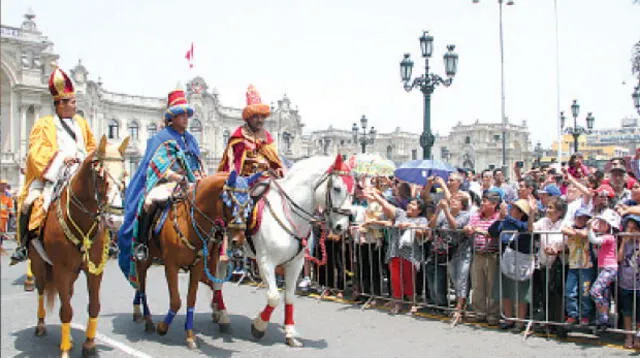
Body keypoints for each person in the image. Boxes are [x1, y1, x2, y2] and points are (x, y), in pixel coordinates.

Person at [10, 66, 97, 265]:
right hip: (52, 175)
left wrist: (85, 160)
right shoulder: (44, 124)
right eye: (73, 102)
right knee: (29, 203)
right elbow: (35, 153)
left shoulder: (82, 124)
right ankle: (24, 245)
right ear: (60, 104)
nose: (76, 106)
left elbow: (91, 146)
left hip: (79, 172)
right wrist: (61, 160)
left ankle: (103, 239)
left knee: (101, 199)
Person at [118, 89, 203, 283]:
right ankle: (142, 245)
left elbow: (196, 163)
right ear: (171, 117)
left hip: (189, 183)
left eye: (186, 115)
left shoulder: (191, 139)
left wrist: (197, 174)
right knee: (149, 203)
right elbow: (153, 167)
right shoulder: (160, 138)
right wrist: (174, 176)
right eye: (181, 114)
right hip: (166, 182)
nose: (185, 118)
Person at [218, 85, 284, 178]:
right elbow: (230, 164)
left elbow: (275, 163)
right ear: (248, 118)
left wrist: (278, 169)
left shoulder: (267, 137)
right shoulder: (239, 136)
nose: (260, 120)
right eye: (256, 117)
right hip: (245, 182)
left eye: (262, 117)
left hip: (268, 179)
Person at [465, 188, 501, 325]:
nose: (482, 204)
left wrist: (481, 231)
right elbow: (470, 227)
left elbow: (494, 233)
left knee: (492, 285)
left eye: (485, 202)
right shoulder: (476, 215)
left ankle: (493, 314)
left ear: (493, 204)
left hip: (492, 255)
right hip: (478, 253)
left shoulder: (498, 217)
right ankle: (479, 312)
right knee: (478, 285)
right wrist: (469, 229)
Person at [562, 208, 596, 326]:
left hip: (587, 266)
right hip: (573, 266)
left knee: (585, 292)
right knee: (569, 291)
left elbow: (585, 234)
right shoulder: (570, 227)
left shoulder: (589, 230)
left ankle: (585, 315)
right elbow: (564, 229)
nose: (581, 220)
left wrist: (577, 231)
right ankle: (573, 314)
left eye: (584, 218)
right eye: (579, 218)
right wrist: (575, 231)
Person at [588, 209, 621, 328]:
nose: (600, 224)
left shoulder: (609, 237)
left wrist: (590, 229)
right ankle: (604, 319)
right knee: (604, 294)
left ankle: (603, 313)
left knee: (595, 291)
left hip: (609, 268)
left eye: (603, 223)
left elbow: (594, 240)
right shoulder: (605, 236)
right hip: (603, 268)